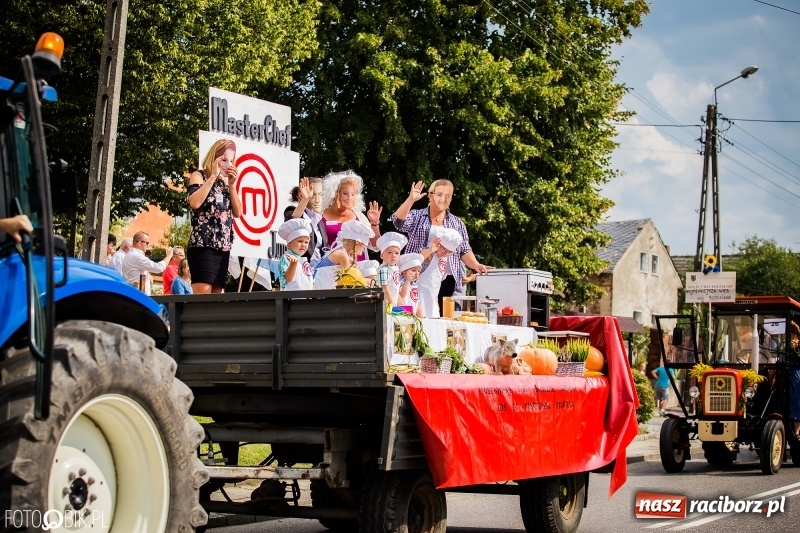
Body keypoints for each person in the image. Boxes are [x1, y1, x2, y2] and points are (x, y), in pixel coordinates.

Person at [390, 179, 490, 312]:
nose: (444, 199)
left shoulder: (457, 223)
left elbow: (464, 250)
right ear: (430, 195)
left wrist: (476, 265)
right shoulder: (418, 216)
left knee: (442, 319)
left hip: (447, 280)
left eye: (448, 195)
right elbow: (397, 222)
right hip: (417, 276)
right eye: (439, 194)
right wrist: (410, 200)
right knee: (415, 312)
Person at [186, 138, 242, 294]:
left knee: (217, 301)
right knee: (203, 298)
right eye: (224, 160)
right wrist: (212, 177)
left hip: (223, 246)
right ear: (214, 158)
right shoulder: (200, 176)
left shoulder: (226, 182)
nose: (228, 165)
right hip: (203, 244)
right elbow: (195, 203)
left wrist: (232, 185)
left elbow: (238, 212)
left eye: (231, 161)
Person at [320, 170, 382, 258]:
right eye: (345, 193)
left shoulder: (359, 217)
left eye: (353, 194)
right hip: (330, 268)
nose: (349, 198)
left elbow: (375, 246)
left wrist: (374, 223)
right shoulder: (320, 216)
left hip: (358, 269)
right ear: (334, 193)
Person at [416, 226, 463, 318]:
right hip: (419, 298)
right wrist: (430, 250)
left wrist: (436, 304)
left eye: (449, 252)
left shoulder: (445, 260)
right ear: (438, 243)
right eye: (443, 248)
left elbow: (436, 284)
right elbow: (416, 260)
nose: (445, 253)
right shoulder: (429, 254)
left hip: (432, 301)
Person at [313, 220, 373, 290]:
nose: (363, 251)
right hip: (317, 290)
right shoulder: (342, 255)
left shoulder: (342, 252)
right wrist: (370, 281)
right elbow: (350, 278)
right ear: (356, 243)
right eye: (363, 247)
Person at [284, 177, 327, 267]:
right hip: (302, 267)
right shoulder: (292, 212)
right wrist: (305, 199)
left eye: (321, 194)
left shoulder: (319, 221)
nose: (317, 200)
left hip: (319, 268)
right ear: (301, 195)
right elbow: (294, 220)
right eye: (313, 195)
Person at [277, 218, 314, 291]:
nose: (303, 244)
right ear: (289, 244)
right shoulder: (287, 258)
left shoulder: (303, 260)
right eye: (300, 241)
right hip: (292, 299)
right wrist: (293, 264)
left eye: (306, 242)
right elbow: (287, 279)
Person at [376, 232, 408, 306]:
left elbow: (396, 292)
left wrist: (402, 306)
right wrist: (392, 305)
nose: (393, 256)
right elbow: (385, 289)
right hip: (385, 306)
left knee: (409, 310)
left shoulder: (395, 269)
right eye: (389, 252)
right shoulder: (384, 270)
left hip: (392, 305)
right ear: (381, 255)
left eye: (397, 253)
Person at [397, 253, 424, 317]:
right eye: (413, 270)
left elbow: (416, 303)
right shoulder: (400, 283)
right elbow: (401, 295)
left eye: (418, 271)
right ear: (403, 271)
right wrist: (407, 281)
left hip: (412, 315)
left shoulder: (414, 286)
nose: (417, 273)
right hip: (402, 313)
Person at [789, 321, 800, 439]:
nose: (792, 335)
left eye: (793, 333)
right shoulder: (784, 343)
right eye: (790, 333)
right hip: (785, 368)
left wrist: (795, 348)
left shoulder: (797, 344)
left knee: (798, 385)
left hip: (797, 368)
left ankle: (797, 427)